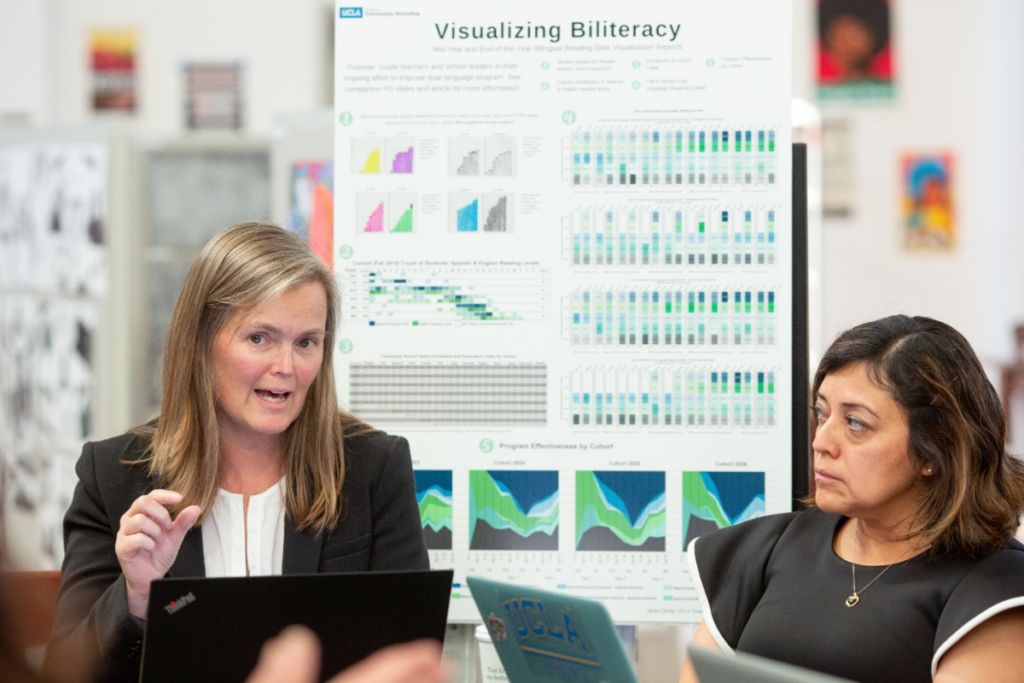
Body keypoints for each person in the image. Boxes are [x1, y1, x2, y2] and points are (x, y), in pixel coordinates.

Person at [43, 222, 429, 683]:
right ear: (201, 342)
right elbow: (64, 672)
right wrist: (138, 595)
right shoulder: (113, 476)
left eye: (306, 342)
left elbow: (411, 658)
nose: (285, 367)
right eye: (259, 338)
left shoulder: (373, 468)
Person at [680, 315, 1024, 683]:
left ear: (933, 451)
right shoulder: (766, 547)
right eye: (821, 413)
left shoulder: (994, 590)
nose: (821, 442)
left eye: (856, 424)